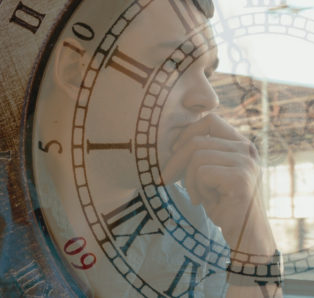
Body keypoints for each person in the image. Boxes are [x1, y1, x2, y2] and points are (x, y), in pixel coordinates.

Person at [53, 0, 282, 297]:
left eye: (207, 73)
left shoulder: (197, 221)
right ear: (76, 71)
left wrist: (254, 241)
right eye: (173, 63)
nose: (209, 99)